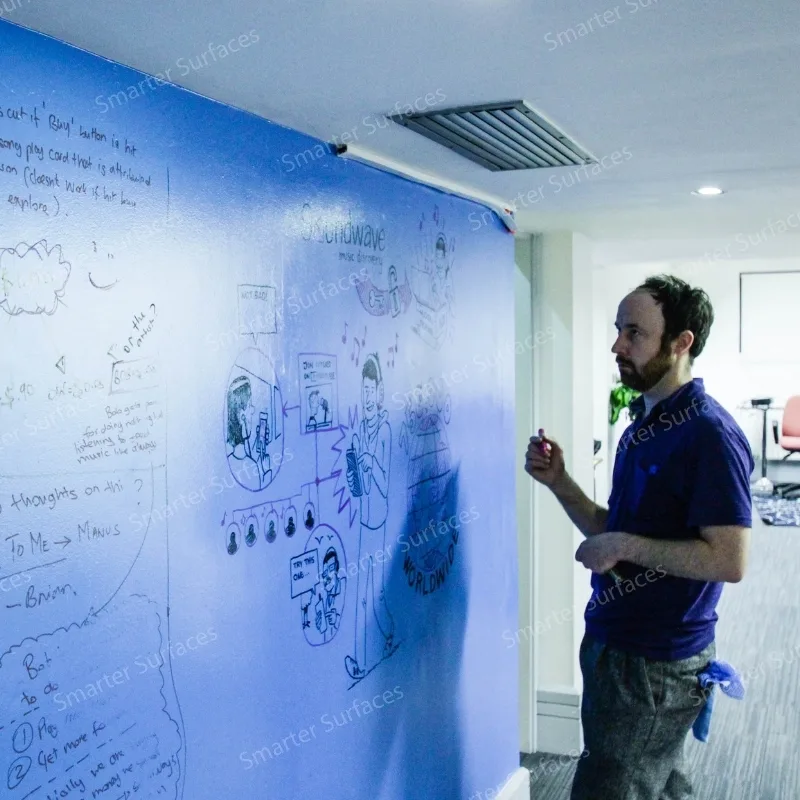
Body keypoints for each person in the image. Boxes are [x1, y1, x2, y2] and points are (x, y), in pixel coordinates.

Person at [525, 275, 754, 800]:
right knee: (650, 781)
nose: (617, 346)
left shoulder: (708, 434)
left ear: (681, 343)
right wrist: (561, 482)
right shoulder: (643, 423)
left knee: (615, 787)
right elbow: (615, 531)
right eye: (618, 330)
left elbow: (729, 559)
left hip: (654, 663)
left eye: (635, 333)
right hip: (619, 645)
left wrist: (626, 548)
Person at [345, 353, 395, 679]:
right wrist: (355, 468)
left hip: (378, 517)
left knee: (368, 589)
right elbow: (357, 487)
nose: (366, 398)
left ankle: (361, 659)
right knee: (370, 588)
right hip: (365, 516)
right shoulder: (360, 431)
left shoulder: (385, 430)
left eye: (370, 391)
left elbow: (385, 483)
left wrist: (369, 461)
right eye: (362, 391)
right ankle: (386, 635)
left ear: (379, 392)